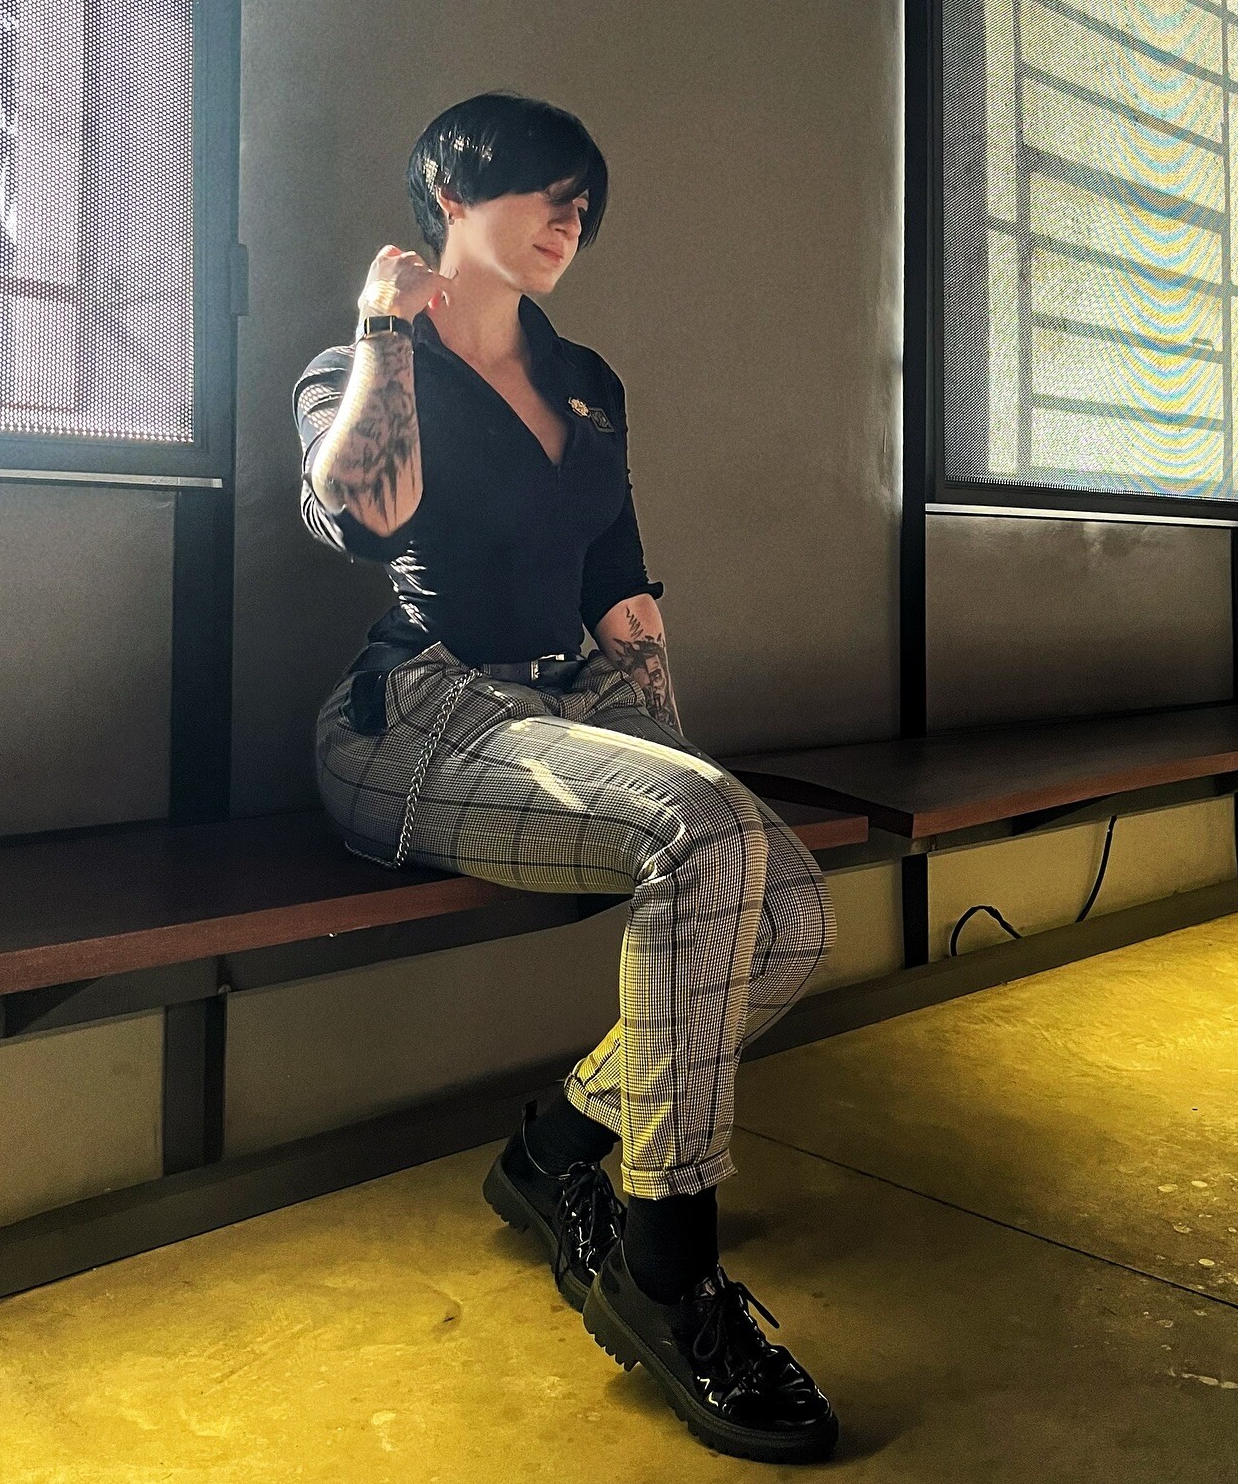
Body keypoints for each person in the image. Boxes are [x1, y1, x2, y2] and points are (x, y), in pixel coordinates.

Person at [293, 91, 840, 1464]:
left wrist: (684, 778)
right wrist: (383, 328)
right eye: (545, 190)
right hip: (416, 720)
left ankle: (551, 1152)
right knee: (707, 838)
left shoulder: (587, 378)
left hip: (570, 706)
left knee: (792, 917)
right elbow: (365, 515)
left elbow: (618, 586)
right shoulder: (367, 362)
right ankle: (665, 1275)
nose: (569, 220)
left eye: (583, 204)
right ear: (450, 196)